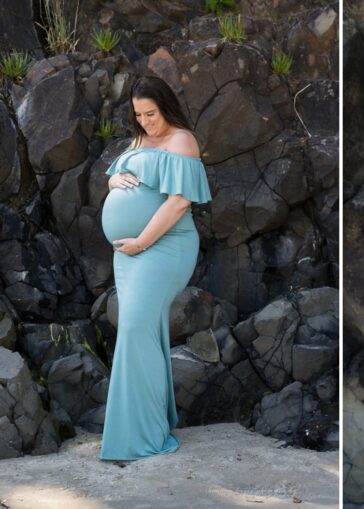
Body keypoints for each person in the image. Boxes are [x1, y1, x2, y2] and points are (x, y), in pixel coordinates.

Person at [99, 76, 212, 461]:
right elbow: (117, 176)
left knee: (133, 325)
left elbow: (179, 202)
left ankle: (141, 435)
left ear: (165, 106)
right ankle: (149, 423)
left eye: (151, 113)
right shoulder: (140, 140)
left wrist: (142, 241)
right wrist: (114, 180)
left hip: (164, 246)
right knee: (143, 330)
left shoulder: (183, 140)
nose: (146, 121)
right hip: (128, 252)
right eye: (138, 115)